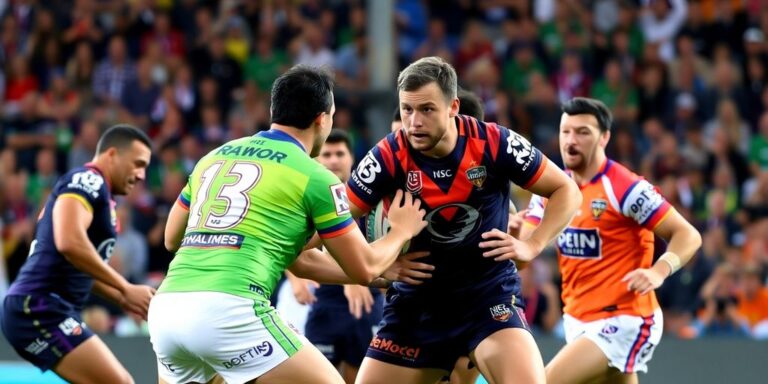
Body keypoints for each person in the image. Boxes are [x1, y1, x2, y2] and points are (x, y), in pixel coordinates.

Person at [148, 65, 427, 384]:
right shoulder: (315, 176)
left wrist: (382, 275)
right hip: (230, 309)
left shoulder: (214, 157)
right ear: (322, 119)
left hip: (167, 309)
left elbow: (172, 238)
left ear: (274, 111)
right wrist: (402, 231)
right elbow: (362, 266)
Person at [347, 56, 581, 384]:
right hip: (417, 307)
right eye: (407, 110)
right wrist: (379, 268)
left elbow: (566, 191)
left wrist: (533, 244)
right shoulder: (385, 157)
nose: (414, 122)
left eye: (427, 109)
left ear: (453, 107)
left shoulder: (495, 142)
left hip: (487, 299)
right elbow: (332, 226)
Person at [521, 97, 702, 384]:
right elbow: (524, 247)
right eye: (566, 131)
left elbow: (688, 235)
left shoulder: (625, 187)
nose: (571, 140)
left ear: (604, 137)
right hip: (578, 318)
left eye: (583, 132)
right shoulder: (553, 188)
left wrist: (659, 270)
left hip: (625, 318)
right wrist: (513, 226)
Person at [1, 124, 155, 383]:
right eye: (137, 163)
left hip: (44, 307)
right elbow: (69, 242)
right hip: (40, 306)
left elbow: (75, 263)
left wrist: (122, 298)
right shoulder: (87, 181)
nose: (141, 175)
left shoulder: (98, 195)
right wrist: (125, 287)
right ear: (112, 154)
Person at [302, 129, 386, 384]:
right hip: (326, 302)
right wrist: (294, 279)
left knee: (359, 377)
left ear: (352, 159)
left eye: (340, 153)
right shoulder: (307, 197)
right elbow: (289, 245)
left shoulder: (371, 202)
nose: (334, 160)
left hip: (367, 303)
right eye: (327, 154)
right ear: (317, 160)